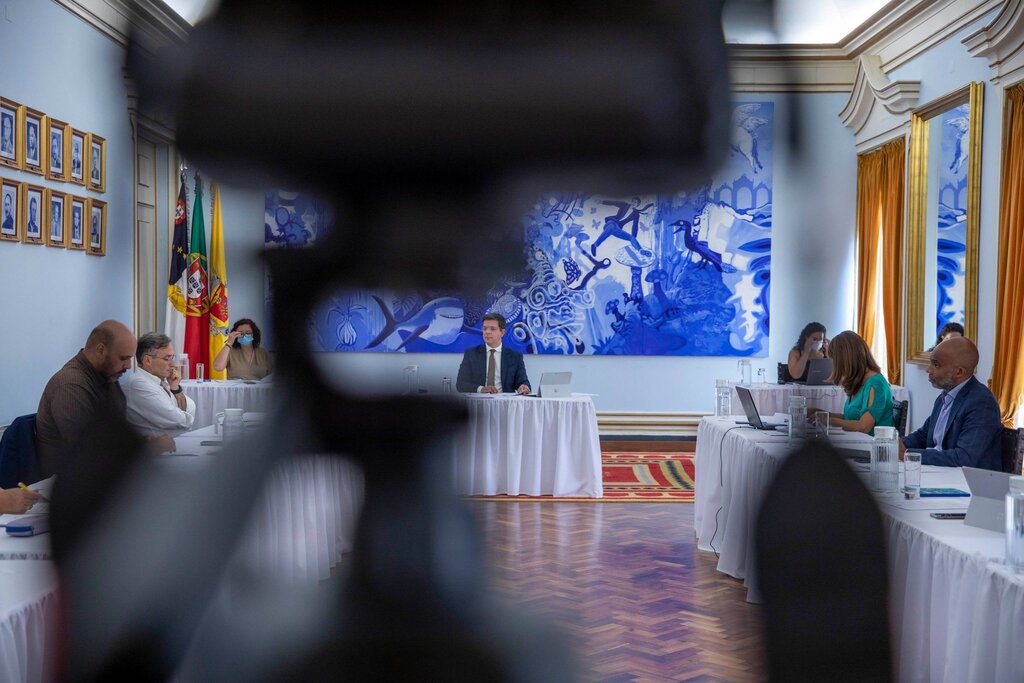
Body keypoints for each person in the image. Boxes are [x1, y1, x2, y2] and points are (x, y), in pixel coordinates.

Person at [36, 321, 175, 477]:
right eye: (123, 358)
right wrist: (148, 447)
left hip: (105, 474)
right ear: (101, 350)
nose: (128, 366)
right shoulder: (70, 386)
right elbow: (91, 451)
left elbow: (115, 434)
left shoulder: (107, 375)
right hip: (72, 480)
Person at [902, 336, 1003, 469]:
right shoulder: (945, 397)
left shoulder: (981, 403)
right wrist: (895, 445)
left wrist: (907, 454)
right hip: (940, 473)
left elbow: (963, 458)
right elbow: (923, 435)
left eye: (936, 365)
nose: (928, 370)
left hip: (967, 480)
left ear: (959, 372)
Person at [811, 331, 893, 435]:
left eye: (835, 361)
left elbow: (863, 426)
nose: (834, 366)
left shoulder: (876, 385)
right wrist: (821, 414)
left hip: (872, 443)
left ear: (846, 360)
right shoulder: (860, 380)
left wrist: (829, 421)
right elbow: (849, 419)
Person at [126, 333, 196, 437]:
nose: (173, 364)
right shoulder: (138, 384)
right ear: (148, 360)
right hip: (154, 447)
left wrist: (175, 389)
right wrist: (185, 417)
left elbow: (191, 408)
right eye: (167, 358)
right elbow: (179, 421)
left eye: (172, 357)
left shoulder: (161, 381)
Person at [456, 312, 531, 394]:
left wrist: (524, 387)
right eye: (485, 328)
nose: (487, 332)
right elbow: (460, 384)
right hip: (479, 400)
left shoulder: (515, 356)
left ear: (502, 332)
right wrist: (481, 389)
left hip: (504, 400)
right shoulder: (471, 354)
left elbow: (523, 382)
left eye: (492, 329)